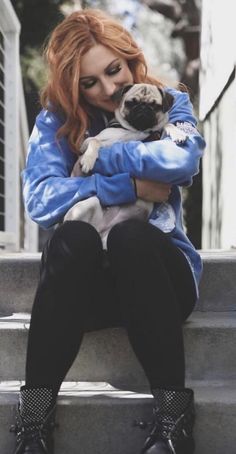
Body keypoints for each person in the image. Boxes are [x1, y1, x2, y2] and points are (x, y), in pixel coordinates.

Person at [11, 8, 206, 454]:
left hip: (159, 279)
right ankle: (35, 418)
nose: (108, 89)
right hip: (88, 287)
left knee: (129, 237)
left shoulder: (170, 101)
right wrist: (131, 185)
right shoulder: (55, 121)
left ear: (130, 57)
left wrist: (100, 159)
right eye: (88, 82)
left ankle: (173, 418)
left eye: (113, 70)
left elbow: (180, 163)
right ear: (71, 87)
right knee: (73, 237)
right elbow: (40, 200)